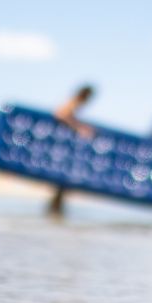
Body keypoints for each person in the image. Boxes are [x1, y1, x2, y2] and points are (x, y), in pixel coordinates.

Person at [47, 84, 95, 216]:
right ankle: (55, 214)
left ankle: (55, 215)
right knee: (61, 184)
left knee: (61, 186)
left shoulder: (74, 102)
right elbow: (60, 114)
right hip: (61, 149)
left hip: (62, 149)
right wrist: (79, 127)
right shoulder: (74, 102)